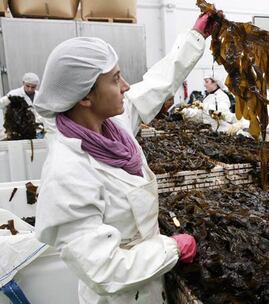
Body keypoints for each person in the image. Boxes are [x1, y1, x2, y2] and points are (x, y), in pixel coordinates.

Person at [33, 13, 216, 304]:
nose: (126, 86)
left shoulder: (113, 127)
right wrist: (171, 249)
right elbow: (104, 270)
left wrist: (195, 36)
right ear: (85, 97)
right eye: (116, 79)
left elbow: (156, 84)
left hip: (152, 284)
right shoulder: (68, 172)